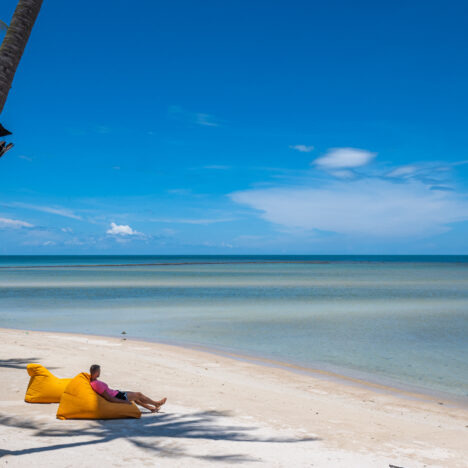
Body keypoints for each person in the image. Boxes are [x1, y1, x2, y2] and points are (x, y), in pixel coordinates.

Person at [89, 364, 166, 413]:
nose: (100, 372)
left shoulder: (93, 381)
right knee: (138, 395)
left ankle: (151, 408)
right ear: (96, 373)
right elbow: (109, 398)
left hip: (116, 393)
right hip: (118, 396)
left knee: (136, 398)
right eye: (99, 371)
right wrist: (124, 402)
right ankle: (156, 404)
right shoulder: (96, 384)